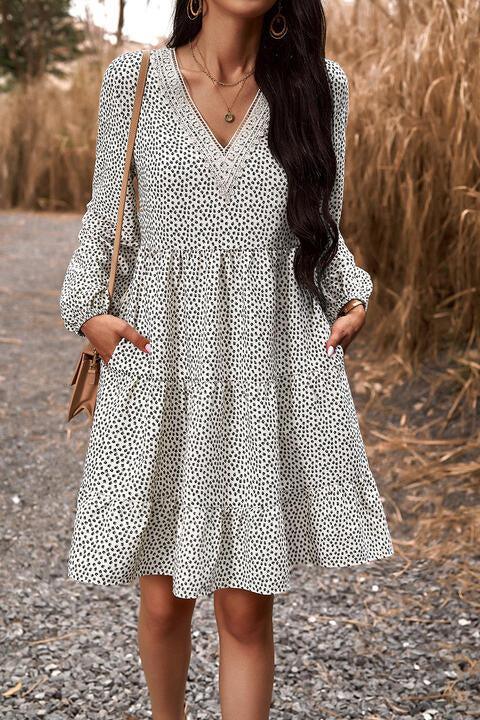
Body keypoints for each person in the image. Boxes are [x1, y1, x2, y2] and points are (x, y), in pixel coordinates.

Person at [59, 1, 394, 718]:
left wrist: (351, 300)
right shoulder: (136, 79)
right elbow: (106, 214)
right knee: (162, 602)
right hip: (161, 356)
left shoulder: (318, 86)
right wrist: (89, 311)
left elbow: (322, 223)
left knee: (244, 611)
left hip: (261, 363)